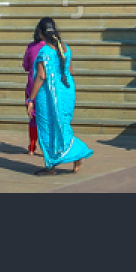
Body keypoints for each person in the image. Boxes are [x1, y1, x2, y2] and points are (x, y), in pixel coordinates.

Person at [26, 17, 92, 174]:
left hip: (49, 96)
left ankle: (51, 166)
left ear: (41, 33)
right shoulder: (65, 48)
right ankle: (77, 155)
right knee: (63, 126)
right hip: (67, 92)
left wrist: (31, 98)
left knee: (47, 128)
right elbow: (70, 71)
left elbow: (41, 76)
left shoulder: (45, 51)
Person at [21, 29, 45, 156]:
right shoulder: (50, 47)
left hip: (31, 85)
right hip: (46, 86)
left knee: (33, 118)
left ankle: (32, 146)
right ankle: (46, 146)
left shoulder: (31, 47)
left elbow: (25, 66)